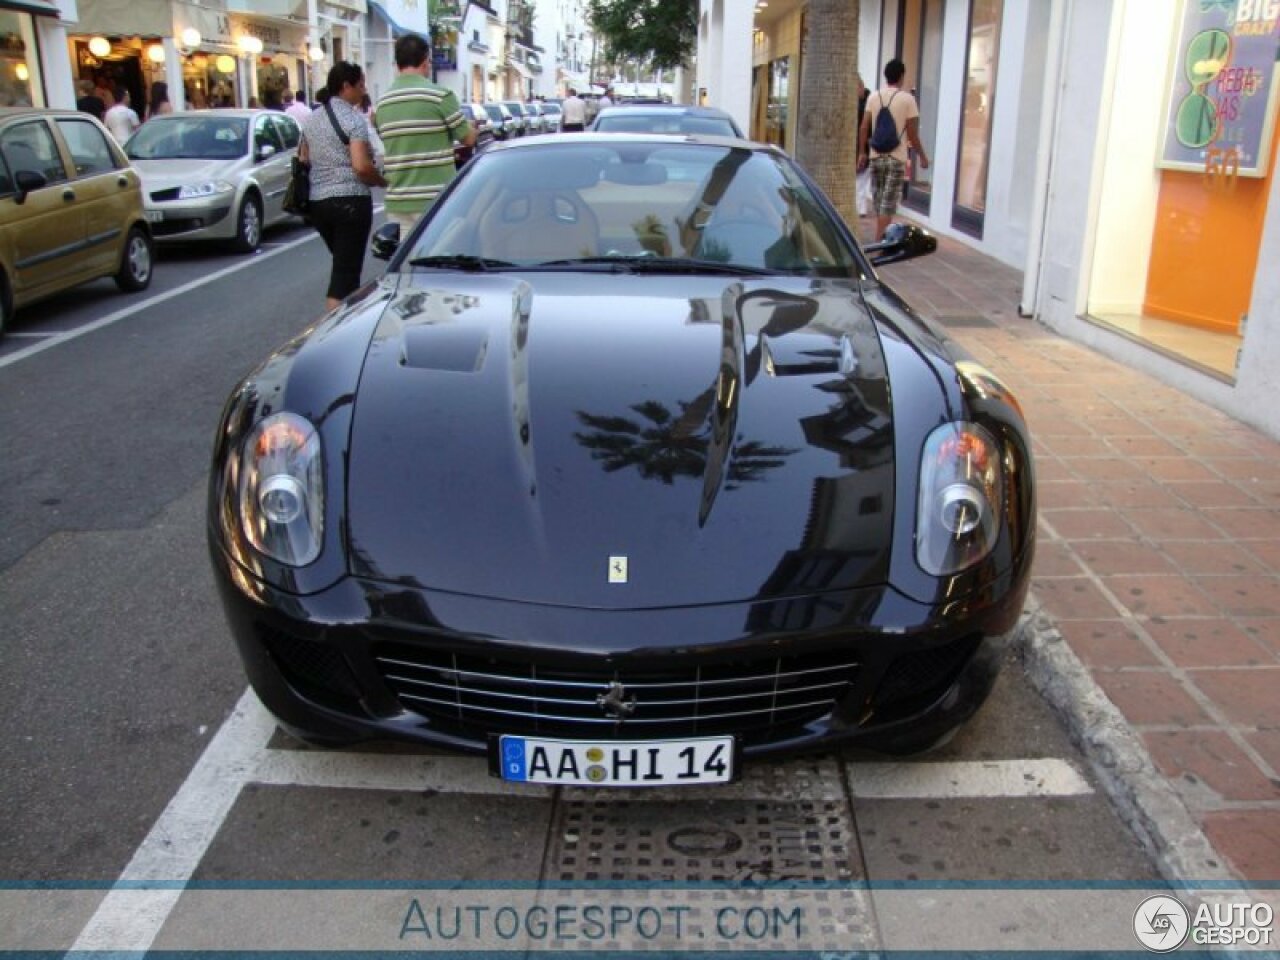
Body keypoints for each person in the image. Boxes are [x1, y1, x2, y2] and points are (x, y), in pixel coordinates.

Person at [299, 61, 388, 310]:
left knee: (343, 266)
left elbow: (303, 157)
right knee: (345, 274)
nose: (364, 90)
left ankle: (351, 315)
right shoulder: (353, 120)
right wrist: (381, 180)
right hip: (349, 201)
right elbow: (360, 166)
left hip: (318, 202)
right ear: (346, 86)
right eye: (360, 84)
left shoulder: (312, 120)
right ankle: (335, 329)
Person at [374, 33, 474, 235]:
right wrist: (472, 127)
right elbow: (469, 139)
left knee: (408, 262)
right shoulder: (439, 96)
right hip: (435, 200)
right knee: (439, 261)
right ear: (426, 60)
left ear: (398, 62)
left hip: (398, 201)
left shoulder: (382, 104)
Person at [858, 59, 929, 242]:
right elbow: (912, 134)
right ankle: (880, 242)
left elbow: (864, 127)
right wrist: (922, 156)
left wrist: (862, 152)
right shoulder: (908, 99)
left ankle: (879, 240)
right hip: (896, 158)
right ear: (901, 76)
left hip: (876, 157)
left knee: (880, 201)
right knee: (887, 205)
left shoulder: (874, 97)